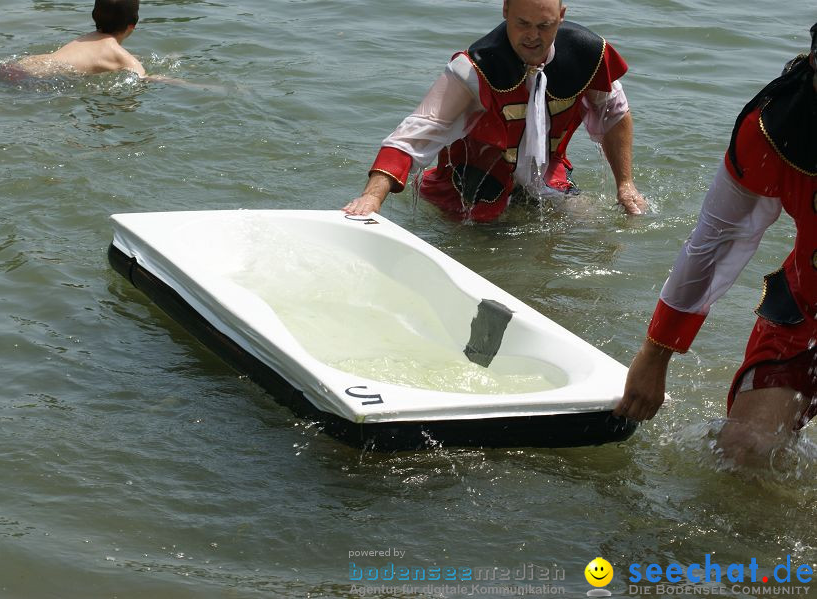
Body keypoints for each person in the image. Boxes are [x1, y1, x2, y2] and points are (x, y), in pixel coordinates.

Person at [615, 23, 817, 466]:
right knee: (740, 453)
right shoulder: (773, 128)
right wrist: (655, 353)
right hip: (809, 305)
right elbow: (716, 241)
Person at [343, 0, 647, 222]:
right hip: (470, 190)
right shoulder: (473, 69)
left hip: (546, 179)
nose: (533, 37)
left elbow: (614, 114)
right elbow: (414, 133)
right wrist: (372, 196)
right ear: (505, 11)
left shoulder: (587, 54)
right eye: (522, 24)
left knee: (601, 226)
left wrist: (625, 184)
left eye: (544, 25)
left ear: (562, 17)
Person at [0, 0, 147, 81]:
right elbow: (144, 78)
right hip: (31, 80)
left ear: (94, 15)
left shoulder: (86, 39)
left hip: (17, 67)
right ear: (133, 25)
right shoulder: (121, 56)